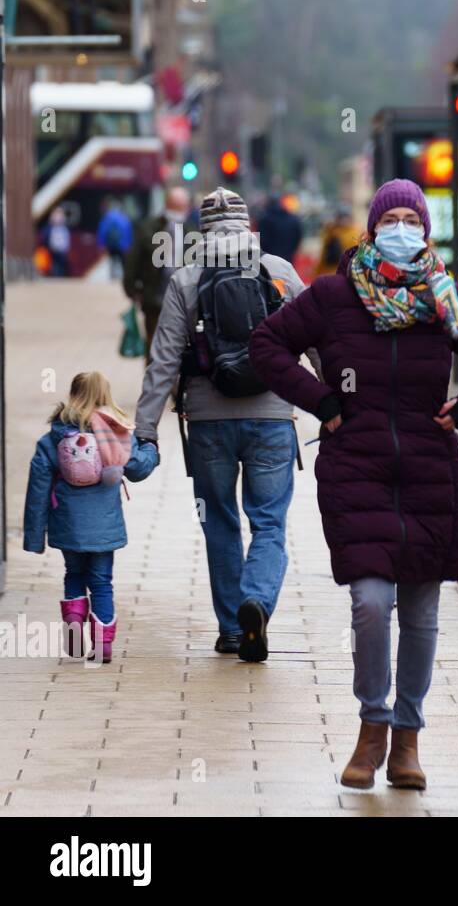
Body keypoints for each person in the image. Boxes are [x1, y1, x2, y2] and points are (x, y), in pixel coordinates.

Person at [249, 178, 458, 791]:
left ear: (425, 230)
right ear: (371, 229)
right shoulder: (335, 296)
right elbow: (267, 344)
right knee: (370, 603)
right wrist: (320, 401)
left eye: (410, 219)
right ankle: (372, 727)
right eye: (390, 218)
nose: (401, 228)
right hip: (357, 469)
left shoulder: (446, 299)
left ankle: (408, 742)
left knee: (420, 612)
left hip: (428, 473)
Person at [134, 186, 319, 661]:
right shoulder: (277, 272)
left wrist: (146, 430)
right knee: (270, 523)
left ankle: (232, 628)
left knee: (218, 521)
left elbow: (163, 362)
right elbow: (318, 340)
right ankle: (255, 600)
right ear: (247, 225)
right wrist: (339, 403)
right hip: (273, 416)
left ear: (201, 230)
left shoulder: (186, 280)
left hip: (208, 421)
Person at [23, 372, 159, 664]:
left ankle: (74, 623)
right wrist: (150, 448)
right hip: (103, 528)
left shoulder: (52, 439)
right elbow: (139, 469)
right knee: (101, 582)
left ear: (73, 395)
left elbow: (37, 491)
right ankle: (102, 646)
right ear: (105, 397)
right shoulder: (116, 433)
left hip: (67, 525)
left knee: (73, 575)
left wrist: (35, 537)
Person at [124, 186, 197, 357]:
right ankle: (156, 382)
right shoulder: (149, 228)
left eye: (181, 206)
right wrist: (133, 291)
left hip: (183, 300)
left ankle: (169, 382)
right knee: (154, 348)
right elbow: (133, 261)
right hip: (155, 299)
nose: (180, 210)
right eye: (176, 206)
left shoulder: (191, 231)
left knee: (178, 349)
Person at [313, 202, 359, 281]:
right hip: (329, 273)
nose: (344, 220)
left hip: (344, 275)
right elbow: (323, 255)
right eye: (341, 217)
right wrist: (316, 274)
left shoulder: (354, 234)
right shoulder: (331, 232)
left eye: (345, 217)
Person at [256, 192, 304, 264]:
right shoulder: (293, 219)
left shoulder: (263, 219)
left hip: (268, 261)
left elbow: (260, 241)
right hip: (288, 259)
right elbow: (298, 238)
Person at [96, 198, 133, 281]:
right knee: (122, 262)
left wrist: (101, 245)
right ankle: (123, 278)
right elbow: (128, 232)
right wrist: (128, 245)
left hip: (111, 245)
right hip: (122, 245)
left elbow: (102, 231)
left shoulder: (106, 218)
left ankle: (113, 277)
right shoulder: (124, 218)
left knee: (112, 261)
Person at [42, 207, 72, 278]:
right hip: (53, 249)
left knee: (61, 264)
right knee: (54, 264)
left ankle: (59, 275)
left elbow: (66, 239)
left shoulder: (64, 229)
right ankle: (55, 275)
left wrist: (66, 247)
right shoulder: (51, 228)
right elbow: (47, 237)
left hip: (62, 249)